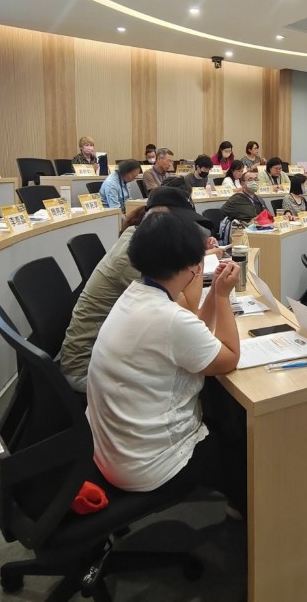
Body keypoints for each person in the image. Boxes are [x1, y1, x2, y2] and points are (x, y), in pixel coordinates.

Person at [85, 209, 246, 517]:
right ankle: (243, 511)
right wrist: (224, 297)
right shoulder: (168, 317)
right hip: (145, 465)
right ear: (190, 265)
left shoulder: (137, 293)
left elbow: (194, 329)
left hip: (109, 451)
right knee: (237, 436)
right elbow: (229, 358)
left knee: (218, 403)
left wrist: (214, 292)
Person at [61, 187, 217, 391]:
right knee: (199, 372)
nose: (189, 231)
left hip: (117, 352)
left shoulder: (139, 239)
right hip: (87, 367)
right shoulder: (134, 258)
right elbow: (187, 309)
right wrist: (197, 256)